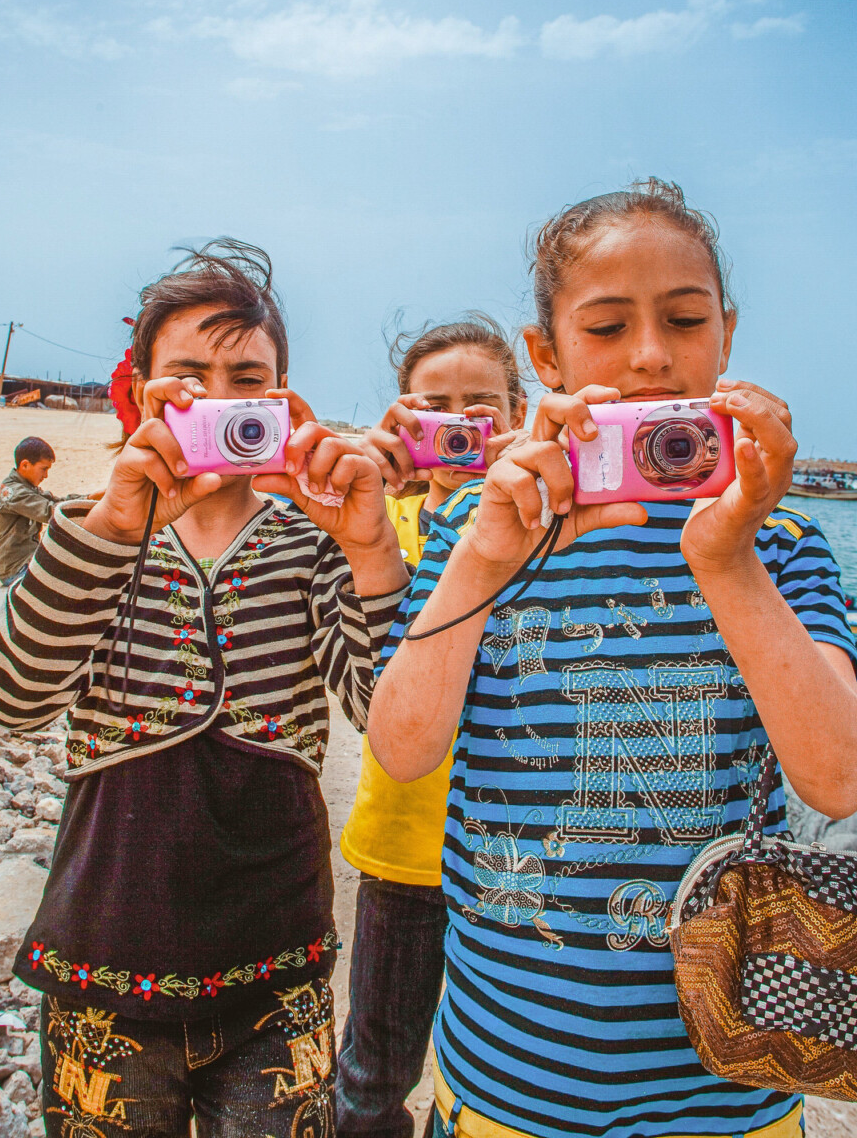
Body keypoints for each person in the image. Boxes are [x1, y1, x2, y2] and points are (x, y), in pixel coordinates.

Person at [367, 179, 857, 1138]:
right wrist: (482, 553)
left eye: (684, 319)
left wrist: (729, 562)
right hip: (511, 1083)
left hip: (734, 1089)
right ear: (546, 354)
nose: (651, 357)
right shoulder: (479, 532)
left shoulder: (783, 544)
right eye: (606, 329)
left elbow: (841, 778)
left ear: (726, 332)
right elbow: (401, 749)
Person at [0, 238, 410, 1138]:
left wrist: (371, 552)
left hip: (278, 968)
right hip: (102, 959)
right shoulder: (86, 531)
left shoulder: (312, 544)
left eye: (247, 377)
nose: (219, 400)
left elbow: (388, 718)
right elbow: (12, 698)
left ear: (284, 400)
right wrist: (113, 524)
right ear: (140, 393)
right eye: (188, 376)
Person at [337, 316, 529, 1138]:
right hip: (404, 845)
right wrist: (368, 484)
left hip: (522, 860)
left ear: (521, 417)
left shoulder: (551, 527)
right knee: (375, 1069)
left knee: (506, 1077)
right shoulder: (381, 523)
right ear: (402, 419)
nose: (460, 428)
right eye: (434, 409)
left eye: (480, 409)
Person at [0, 437, 61, 586]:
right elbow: (49, 511)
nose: (46, 475)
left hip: (27, 562)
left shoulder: (27, 487)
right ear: (25, 465)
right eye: (44, 469)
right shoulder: (14, 492)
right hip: (15, 570)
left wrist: (89, 498)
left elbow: (55, 502)